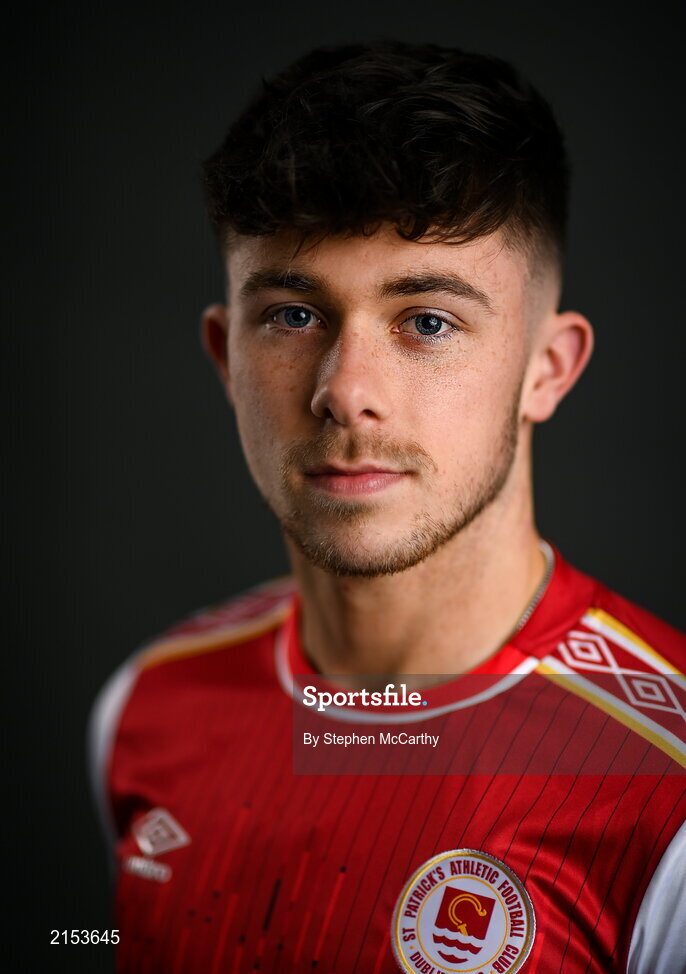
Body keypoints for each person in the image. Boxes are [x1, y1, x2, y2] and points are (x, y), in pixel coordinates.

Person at [89, 42, 685, 974]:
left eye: (429, 321)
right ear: (224, 356)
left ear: (548, 369)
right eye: (293, 314)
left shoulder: (666, 795)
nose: (346, 392)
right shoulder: (146, 705)